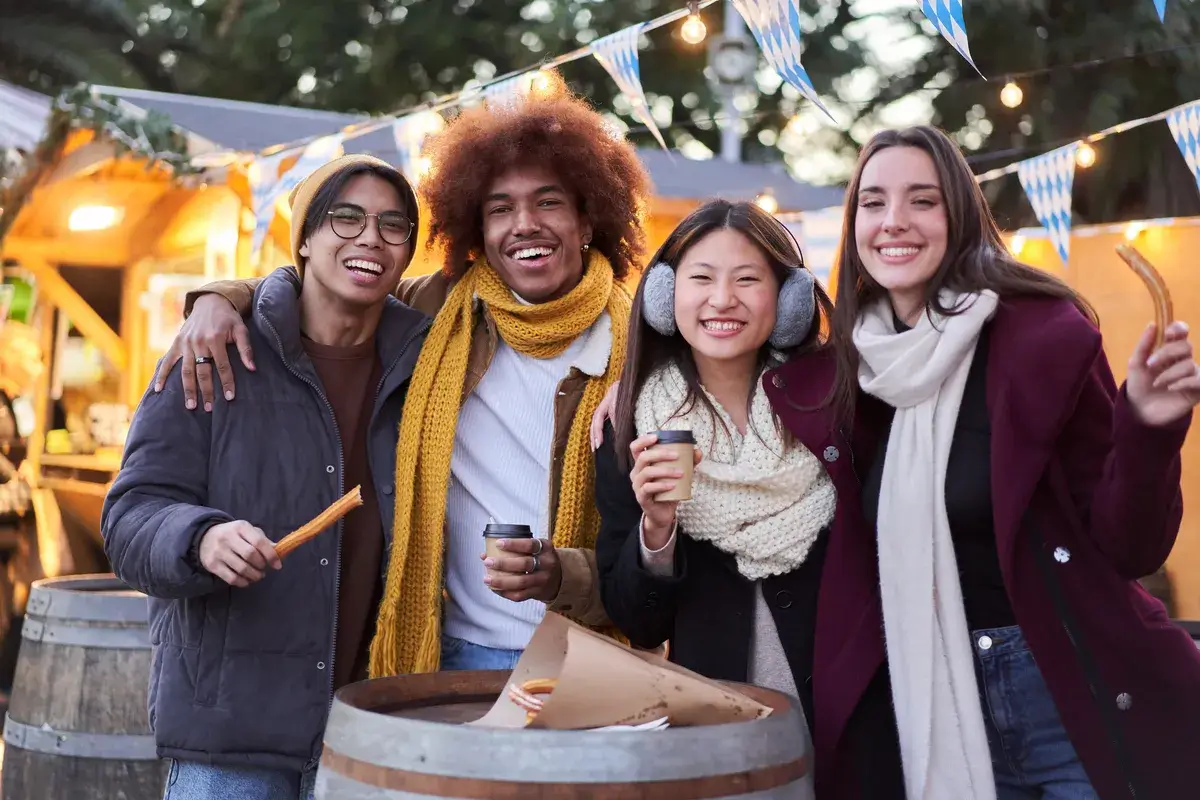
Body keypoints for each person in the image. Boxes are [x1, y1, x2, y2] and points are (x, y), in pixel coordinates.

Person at [151, 88, 652, 675]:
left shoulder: (646, 339)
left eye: (550, 203)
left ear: (588, 217)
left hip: (594, 657)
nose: (525, 226)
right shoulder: (438, 310)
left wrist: (564, 574)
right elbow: (325, 280)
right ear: (475, 226)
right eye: (498, 209)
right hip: (453, 654)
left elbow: (665, 544)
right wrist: (219, 299)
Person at [767, 125, 1200, 799]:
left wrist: (1146, 428)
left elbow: (1129, 545)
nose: (894, 223)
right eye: (874, 203)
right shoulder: (847, 378)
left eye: (922, 200)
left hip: (1064, 691)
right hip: (927, 699)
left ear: (959, 217)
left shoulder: (1044, 338)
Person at [102, 155, 428, 799]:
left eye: (394, 225)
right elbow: (129, 517)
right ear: (303, 237)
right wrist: (199, 538)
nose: (371, 237)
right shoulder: (215, 352)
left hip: (372, 729)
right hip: (232, 730)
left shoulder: (427, 365)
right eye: (346, 217)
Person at [594, 199, 905, 800]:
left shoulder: (841, 398)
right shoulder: (630, 424)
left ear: (788, 299)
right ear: (664, 294)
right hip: (719, 738)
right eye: (701, 278)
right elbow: (637, 618)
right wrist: (657, 530)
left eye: (747, 280)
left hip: (857, 715)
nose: (722, 300)